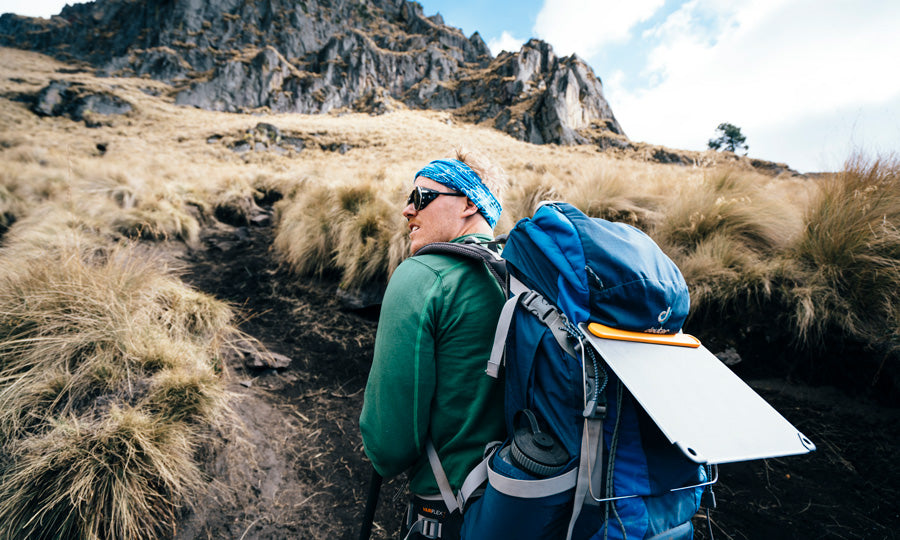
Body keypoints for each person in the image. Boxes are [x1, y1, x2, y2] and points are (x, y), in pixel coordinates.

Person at [359, 148, 508, 539]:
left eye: (421, 197)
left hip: (448, 507)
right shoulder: (516, 276)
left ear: (469, 204)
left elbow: (389, 445)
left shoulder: (422, 275)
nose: (407, 210)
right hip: (521, 499)